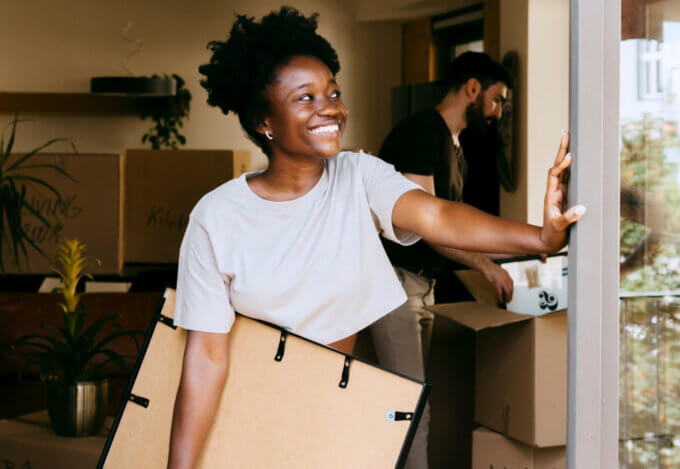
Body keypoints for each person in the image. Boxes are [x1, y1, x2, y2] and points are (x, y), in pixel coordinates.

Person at [167, 8, 584, 468]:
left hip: (337, 423)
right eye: (305, 98)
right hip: (249, 425)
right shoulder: (217, 217)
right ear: (265, 121)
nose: (330, 108)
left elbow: (440, 216)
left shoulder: (358, 176)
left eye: (333, 92)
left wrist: (542, 238)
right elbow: (205, 358)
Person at [372, 52, 519, 468]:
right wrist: (486, 265)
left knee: (413, 402)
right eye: (498, 98)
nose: (499, 110)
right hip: (395, 286)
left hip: (422, 288)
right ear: (473, 88)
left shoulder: (458, 150)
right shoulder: (421, 133)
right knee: (410, 405)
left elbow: (457, 226)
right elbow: (432, 226)